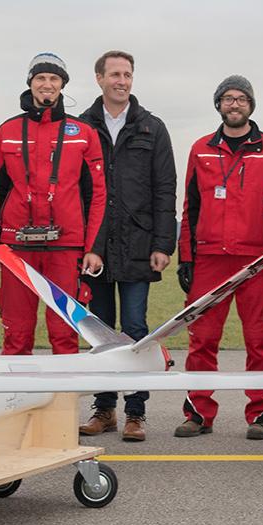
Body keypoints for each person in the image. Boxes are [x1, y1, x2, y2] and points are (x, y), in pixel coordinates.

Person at [175, 75, 263, 440]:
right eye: (227, 98)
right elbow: (190, 207)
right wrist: (186, 258)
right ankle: (198, 413)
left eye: (241, 98)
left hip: (257, 260)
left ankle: (260, 414)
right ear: (218, 104)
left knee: (260, 341)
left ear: (251, 105)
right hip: (209, 258)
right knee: (202, 339)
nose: (234, 104)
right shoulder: (200, 148)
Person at [77, 51, 177, 442]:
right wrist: (86, 244)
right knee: (101, 334)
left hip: (139, 243)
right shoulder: (82, 126)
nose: (122, 80)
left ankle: (136, 412)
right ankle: (104, 410)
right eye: (115, 74)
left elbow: (165, 189)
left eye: (128, 74)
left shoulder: (152, 127)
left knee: (135, 330)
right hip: (96, 247)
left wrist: (163, 243)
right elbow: (76, 189)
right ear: (99, 78)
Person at [0, 52, 107, 355]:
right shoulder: (7, 131)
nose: (47, 84)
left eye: (54, 78)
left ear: (62, 84)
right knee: (16, 334)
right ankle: (17, 388)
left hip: (66, 246)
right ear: (31, 82)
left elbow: (97, 195)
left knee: (65, 334)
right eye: (40, 78)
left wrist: (93, 247)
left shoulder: (84, 133)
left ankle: (65, 389)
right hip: (16, 247)